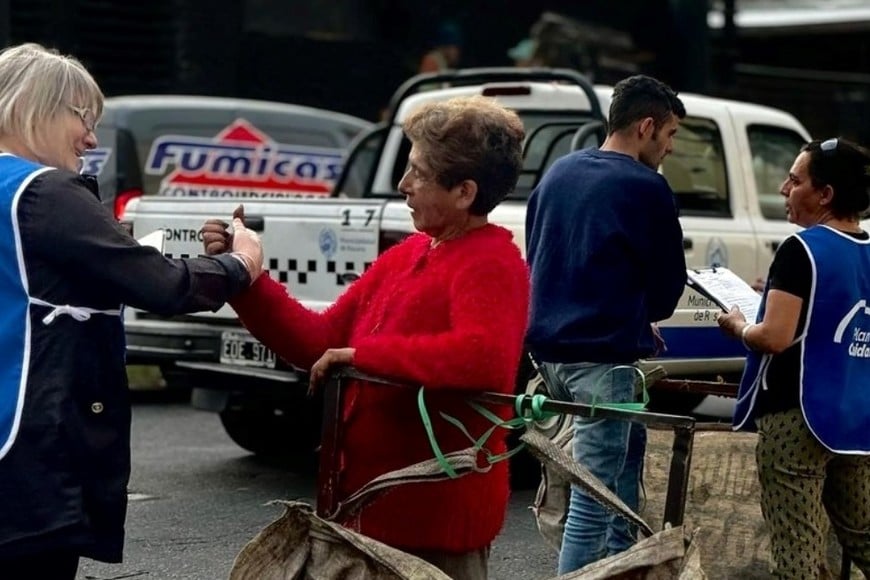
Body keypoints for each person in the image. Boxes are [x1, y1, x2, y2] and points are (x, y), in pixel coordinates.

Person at [201, 95, 529, 579]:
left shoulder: (494, 264)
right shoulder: (409, 253)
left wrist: (362, 357)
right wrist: (246, 280)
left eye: (418, 172)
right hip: (367, 513)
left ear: (464, 192)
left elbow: (483, 358)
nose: (403, 184)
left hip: (435, 528)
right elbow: (318, 341)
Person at [0, 43, 263, 579]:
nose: (92, 138)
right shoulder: (43, 192)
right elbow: (161, 285)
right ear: (35, 107)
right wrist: (241, 264)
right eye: (83, 118)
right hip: (31, 451)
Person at [525, 74, 687, 573]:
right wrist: (642, 314)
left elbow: (544, 258)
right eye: (670, 135)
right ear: (646, 127)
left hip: (549, 354)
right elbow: (665, 291)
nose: (670, 148)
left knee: (619, 479)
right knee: (593, 505)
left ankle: (620, 570)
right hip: (602, 364)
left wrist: (632, 318)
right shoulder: (646, 187)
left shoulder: (558, 172)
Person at [717, 138, 870, 579]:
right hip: (855, 421)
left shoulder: (801, 250)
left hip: (797, 418)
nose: (784, 189)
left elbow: (775, 338)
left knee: (797, 547)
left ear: (825, 195)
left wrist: (739, 325)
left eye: (795, 180)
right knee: (862, 532)